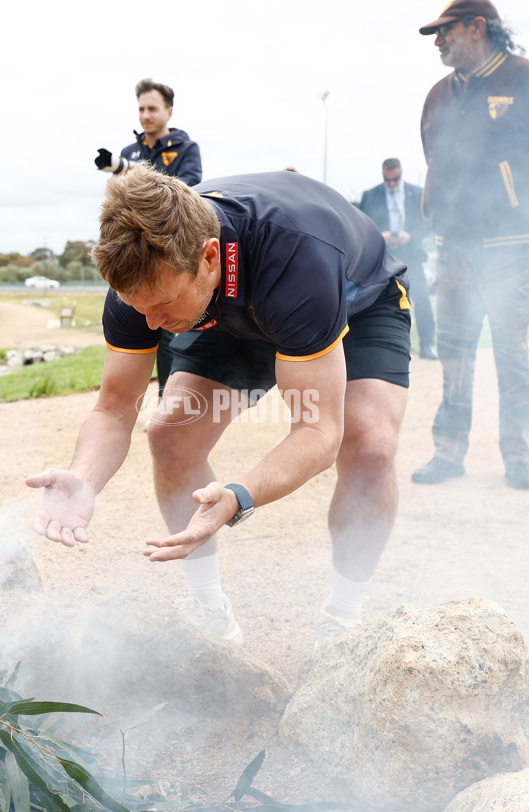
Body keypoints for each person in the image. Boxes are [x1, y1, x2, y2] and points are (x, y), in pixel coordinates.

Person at [26, 165, 411, 646]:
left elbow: (318, 432)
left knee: (369, 444)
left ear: (209, 257)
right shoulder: (145, 280)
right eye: (138, 307)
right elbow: (115, 406)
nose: (154, 324)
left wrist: (239, 494)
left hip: (356, 299)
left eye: (161, 306)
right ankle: (207, 609)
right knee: (170, 435)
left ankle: (344, 618)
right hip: (223, 309)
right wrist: (84, 478)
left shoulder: (295, 259)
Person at [412, 0, 529, 490]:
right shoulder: (437, 94)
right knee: (455, 350)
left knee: (515, 351)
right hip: (453, 243)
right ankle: (448, 451)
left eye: (446, 31)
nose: (438, 41)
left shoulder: (522, 79)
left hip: (511, 243)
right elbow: (431, 156)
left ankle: (521, 457)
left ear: (477, 27)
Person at [94, 78, 203, 395]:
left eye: (152, 108)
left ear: (168, 111)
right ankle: (129, 403)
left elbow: (189, 191)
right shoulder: (129, 151)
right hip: (135, 253)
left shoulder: (186, 149)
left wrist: (138, 173)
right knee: (133, 329)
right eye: (141, 109)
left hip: (171, 252)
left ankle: (168, 404)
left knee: (171, 334)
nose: (145, 115)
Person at [360, 158, 437, 359]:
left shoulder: (417, 193)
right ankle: (391, 348)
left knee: (422, 300)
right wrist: (380, 235)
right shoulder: (370, 196)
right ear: (383, 175)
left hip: (412, 254)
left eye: (396, 179)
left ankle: (428, 345)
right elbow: (362, 224)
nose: (392, 183)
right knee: (385, 303)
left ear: (401, 173)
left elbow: (427, 223)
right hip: (384, 257)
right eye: (388, 180)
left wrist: (410, 235)